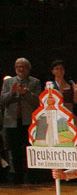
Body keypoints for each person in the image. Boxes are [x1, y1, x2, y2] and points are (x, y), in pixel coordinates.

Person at [1, 57, 44, 185]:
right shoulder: (8, 82)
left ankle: (32, 177)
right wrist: (13, 93)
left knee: (30, 150)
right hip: (11, 121)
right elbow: (2, 101)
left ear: (28, 69)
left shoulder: (35, 82)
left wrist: (26, 93)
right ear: (15, 69)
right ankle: (17, 177)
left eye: (23, 67)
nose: (21, 69)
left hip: (29, 122)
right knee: (14, 150)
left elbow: (38, 102)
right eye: (18, 67)